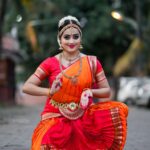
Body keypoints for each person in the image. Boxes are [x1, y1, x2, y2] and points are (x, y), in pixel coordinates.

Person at [23, 15, 128, 150]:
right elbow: (27, 86)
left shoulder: (92, 63)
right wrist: (50, 91)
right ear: (59, 40)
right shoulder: (50, 63)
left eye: (75, 36)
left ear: (81, 38)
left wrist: (91, 91)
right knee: (43, 144)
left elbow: (106, 91)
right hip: (55, 115)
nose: (71, 41)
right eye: (66, 37)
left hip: (85, 115)